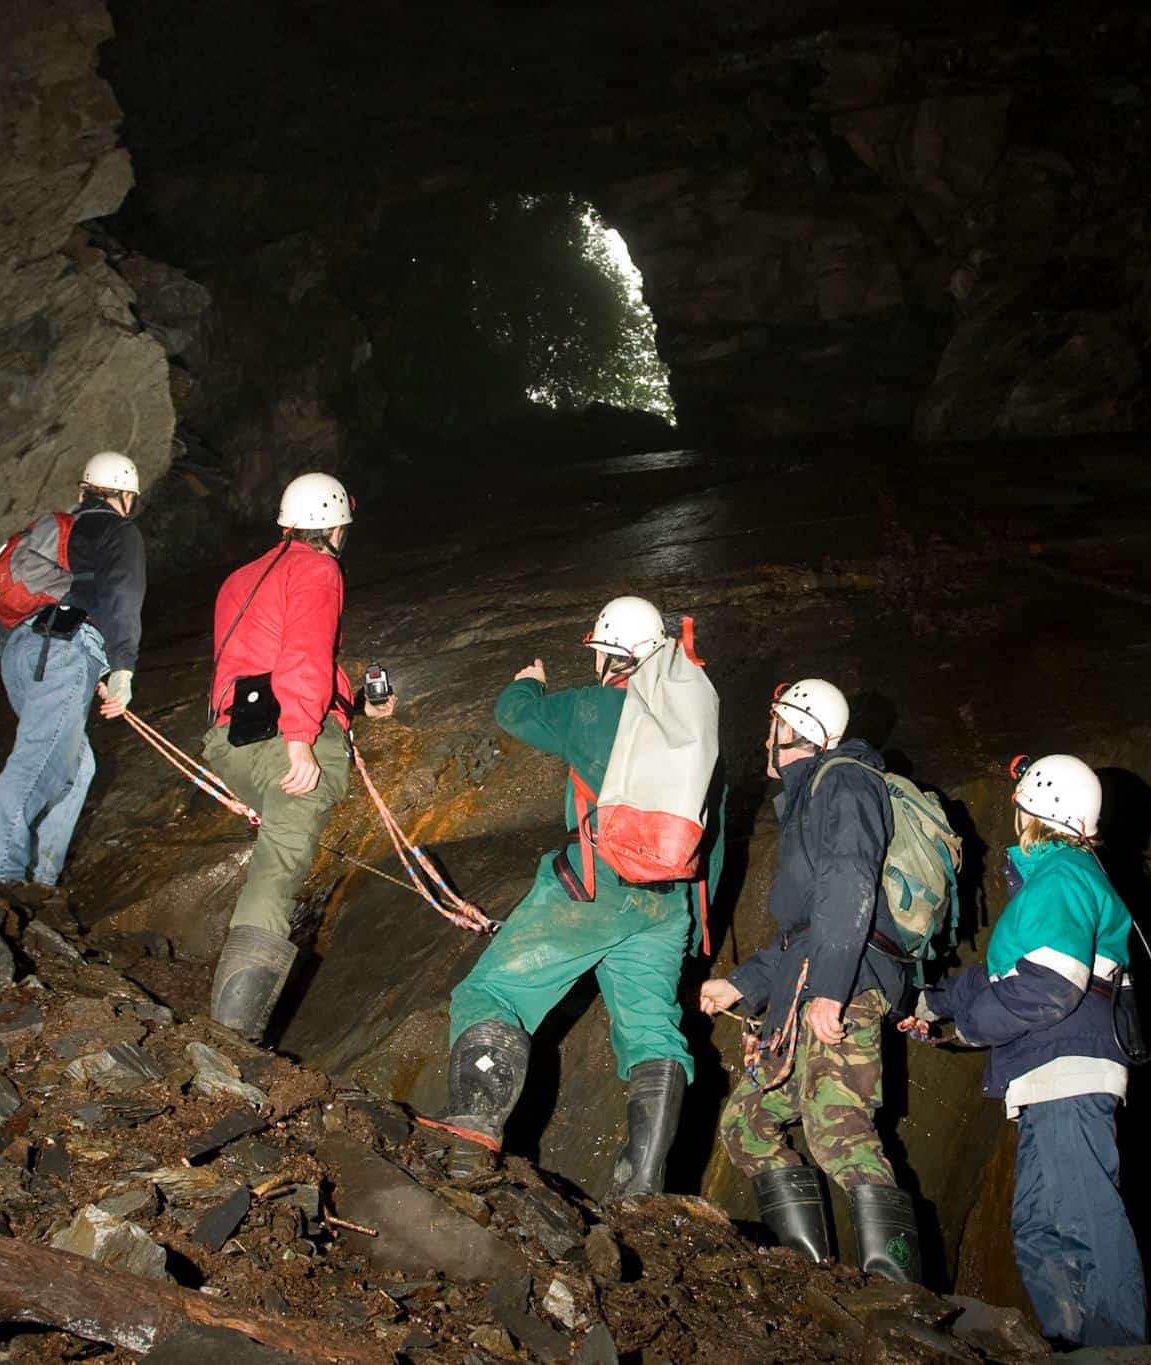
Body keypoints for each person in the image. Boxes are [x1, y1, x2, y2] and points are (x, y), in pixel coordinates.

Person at [442, 595, 722, 1197]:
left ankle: (471, 1133)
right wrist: (697, 928)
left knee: (490, 992)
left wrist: (528, 683)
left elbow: (512, 713)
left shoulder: (593, 707)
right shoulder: (694, 734)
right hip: (666, 905)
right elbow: (711, 842)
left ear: (605, 655)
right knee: (652, 1031)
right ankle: (642, 1187)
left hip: (593, 886)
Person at [909, 753, 1146, 1347]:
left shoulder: (1063, 876)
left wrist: (968, 1031)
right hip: (1051, 1075)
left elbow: (1048, 987)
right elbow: (1000, 978)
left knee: (1084, 1215)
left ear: (1031, 811)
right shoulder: (1056, 882)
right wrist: (930, 1004)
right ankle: (1069, 1345)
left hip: (1070, 1069)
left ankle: (1116, 1350)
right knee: (1039, 1226)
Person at [700, 678, 922, 1281]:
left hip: (844, 984)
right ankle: (810, 1272)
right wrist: (742, 985)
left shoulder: (844, 780)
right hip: (806, 982)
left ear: (796, 729)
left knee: (837, 1130)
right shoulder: (805, 801)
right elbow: (802, 928)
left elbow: (850, 883)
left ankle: (897, 1288)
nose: (764, 736)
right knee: (746, 1124)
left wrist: (831, 986)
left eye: (773, 723)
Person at [199, 471, 395, 1041]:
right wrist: (299, 739)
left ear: (286, 522)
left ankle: (232, 1022)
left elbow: (258, 661)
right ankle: (231, 1036)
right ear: (335, 528)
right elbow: (304, 656)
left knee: (277, 847)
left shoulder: (240, 578)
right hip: (280, 735)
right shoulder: (319, 567)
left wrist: (354, 705)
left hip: (229, 739)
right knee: (283, 854)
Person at [0, 451, 145, 890]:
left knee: (78, 764)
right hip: (62, 652)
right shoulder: (116, 530)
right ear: (125, 498)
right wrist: (122, 667)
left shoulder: (58, 533)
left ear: (83, 491)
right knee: (42, 757)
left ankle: (39, 877)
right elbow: (122, 596)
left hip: (19, 654)